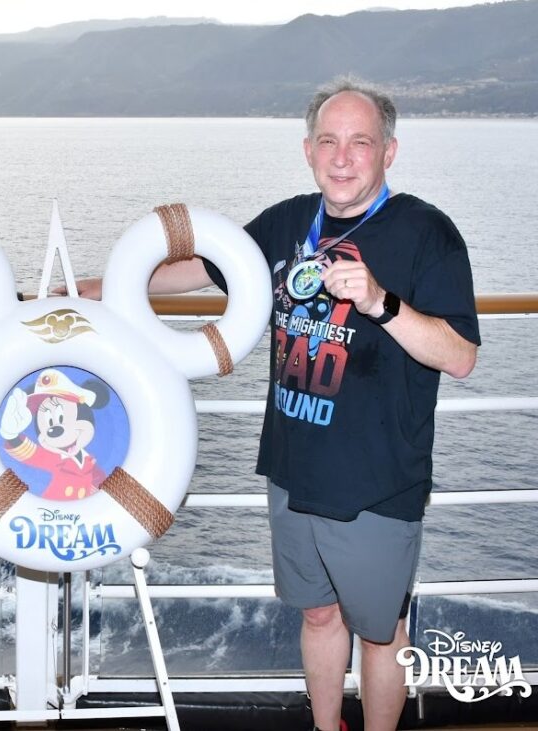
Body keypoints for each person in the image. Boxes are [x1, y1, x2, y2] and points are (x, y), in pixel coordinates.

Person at [82, 78, 480, 731]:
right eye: (329, 140)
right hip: (294, 470)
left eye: (361, 141)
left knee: (382, 632)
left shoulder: (426, 233)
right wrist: (95, 286)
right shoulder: (288, 222)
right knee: (318, 614)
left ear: (390, 151)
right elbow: (202, 271)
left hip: (377, 482)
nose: (343, 155)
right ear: (308, 149)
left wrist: (382, 302)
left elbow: (459, 354)